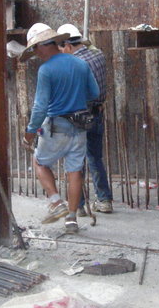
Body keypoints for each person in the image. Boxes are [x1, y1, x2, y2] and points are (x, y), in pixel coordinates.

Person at [20, 23, 100, 233]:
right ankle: (71, 219)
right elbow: (94, 93)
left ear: (43, 45)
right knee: (74, 171)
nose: (36, 53)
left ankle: (56, 202)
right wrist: (74, 95)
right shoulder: (81, 64)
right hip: (80, 126)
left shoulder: (46, 70)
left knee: (39, 162)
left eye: (35, 48)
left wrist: (30, 133)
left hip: (55, 126)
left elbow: (40, 107)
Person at [57, 23, 113, 214]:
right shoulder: (99, 55)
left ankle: (78, 205)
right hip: (97, 113)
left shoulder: (73, 65)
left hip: (79, 117)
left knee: (75, 162)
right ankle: (104, 200)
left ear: (68, 46)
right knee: (95, 158)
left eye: (62, 48)